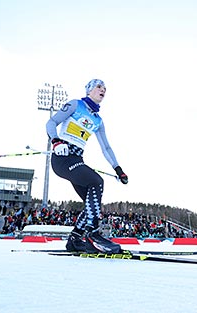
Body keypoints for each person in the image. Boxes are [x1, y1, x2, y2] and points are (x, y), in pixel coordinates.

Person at [45, 79, 128, 253]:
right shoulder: (76, 105)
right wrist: (56, 141)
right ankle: (93, 234)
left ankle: (75, 239)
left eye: (105, 88)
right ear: (89, 90)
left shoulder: (98, 120)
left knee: (91, 203)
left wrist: (118, 169)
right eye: (99, 87)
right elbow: (51, 123)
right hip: (63, 158)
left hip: (77, 160)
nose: (103, 90)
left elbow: (106, 147)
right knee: (96, 181)